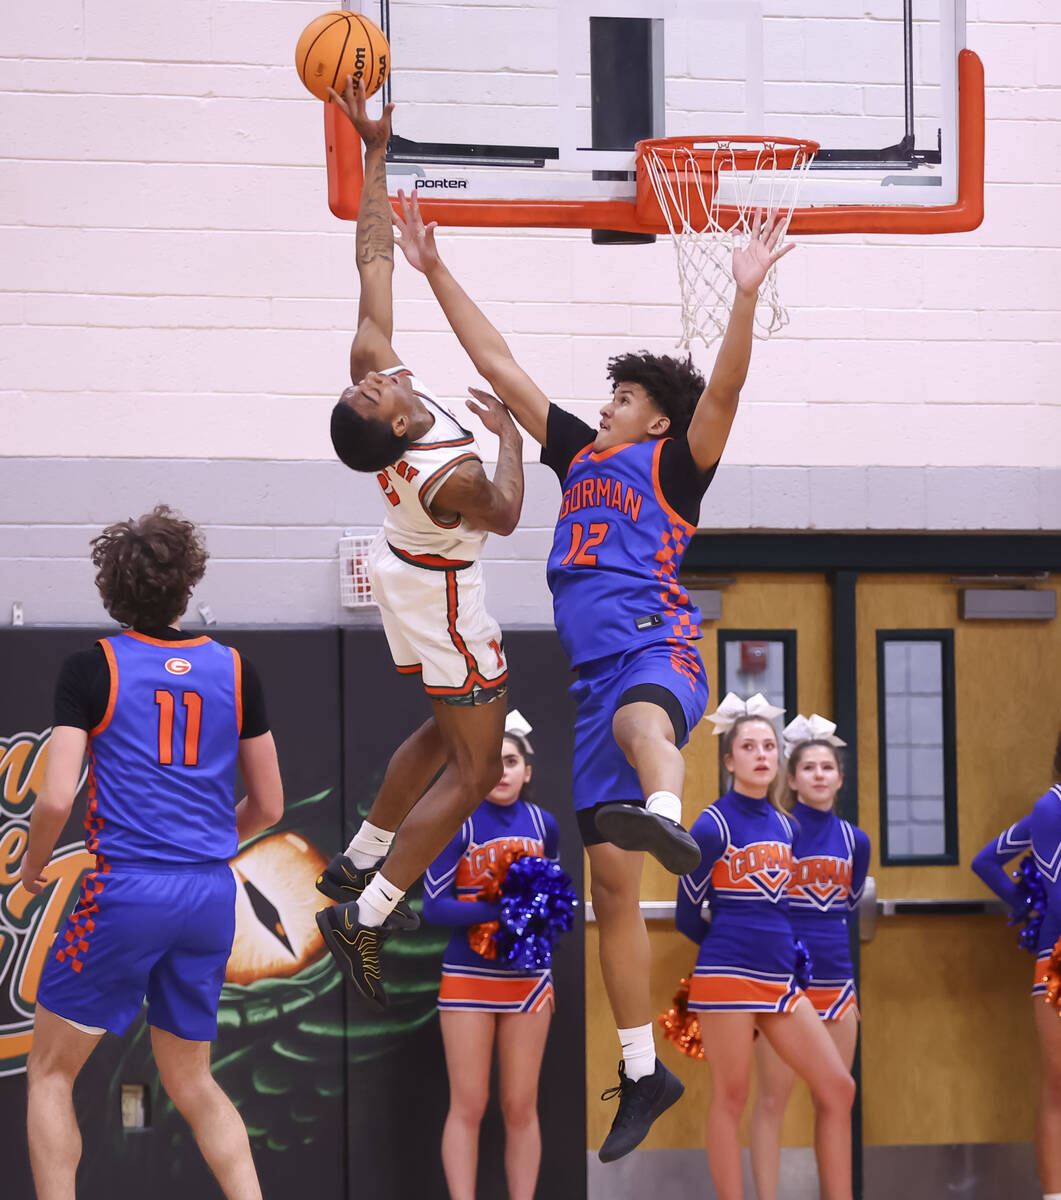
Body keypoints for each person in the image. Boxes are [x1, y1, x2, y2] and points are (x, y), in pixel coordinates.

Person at [391, 185, 794, 1160]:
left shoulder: (676, 467)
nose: (604, 402)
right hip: (587, 682)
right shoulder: (577, 456)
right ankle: (642, 1068)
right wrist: (434, 268)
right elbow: (499, 363)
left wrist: (742, 295)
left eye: (622, 397)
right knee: (609, 892)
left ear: (655, 424)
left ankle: (666, 810)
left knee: (637, 728)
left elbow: (724, 393)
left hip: (657, 648)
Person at [312, 78, 526, 1013]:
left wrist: (374, 152)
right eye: (368, 395)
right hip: (440, 588)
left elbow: (370, 261)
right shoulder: (449, 475)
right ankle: (370, 911)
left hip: (408, 570)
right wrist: (510, 436)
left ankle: (358, 859)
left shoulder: (381, 374)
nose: (365, 379)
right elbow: (506, 514)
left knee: (445, 731)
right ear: (395, 427)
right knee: (477, 769)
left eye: (363, 387)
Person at [18, 505, 283, 1200]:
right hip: (209, 894)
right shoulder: (235, 669)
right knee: (193, 1081)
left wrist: (32, 864)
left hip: (128, 890)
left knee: (50, 1073)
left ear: (110, 587)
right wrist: (201, 845)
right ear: (187, 583)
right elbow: (269, 807)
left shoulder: (91, 668)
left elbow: (56, 798)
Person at [676, 697, 856, 1200]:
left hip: (780, 981)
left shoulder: (785, 825)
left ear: (779, 757)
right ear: (729, 760)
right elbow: (688, 913)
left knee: (838, 1087)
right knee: (732, 1098)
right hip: (728, 978)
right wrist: (729, 956)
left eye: (769, 747)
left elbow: (782, 909)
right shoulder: (712, 825)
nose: (761, 755)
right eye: (749, 747)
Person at [422, 714, 560, 1200]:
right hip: (467, 976)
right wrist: (502, 910)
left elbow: (553, 902)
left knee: (521, 1105)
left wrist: (535, 916)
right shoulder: (456, 821)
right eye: (492, 762)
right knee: (469, 1104)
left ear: (527, 770)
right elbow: (434, 908)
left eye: (511, 761)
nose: (502, 771)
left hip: (529, 978)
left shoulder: (545, 825)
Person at [749, 714, 870, 1200]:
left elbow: (849, 903)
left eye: (828, 767)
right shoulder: (777, 831)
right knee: (772, 1100)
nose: (819, 775)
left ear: (840, 779)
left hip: (838, 984)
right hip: (782, 984)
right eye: (809, 767)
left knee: (835, 1099)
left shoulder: (855, 840)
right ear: (793, 778)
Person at [972, 728, 1061, 1200]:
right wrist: (1025, 906)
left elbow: (988, 859)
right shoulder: (1052, 806)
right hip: (1058, 958)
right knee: (1058, 1086)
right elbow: (986, 862)